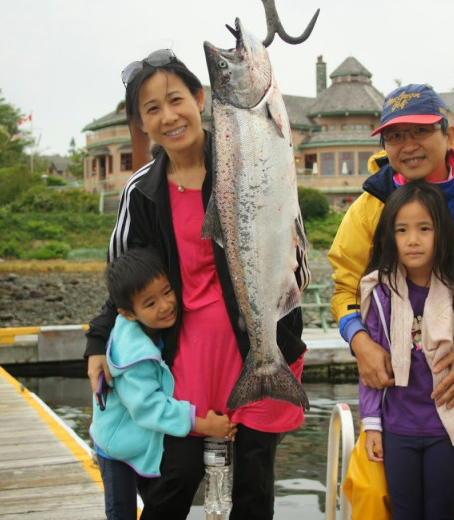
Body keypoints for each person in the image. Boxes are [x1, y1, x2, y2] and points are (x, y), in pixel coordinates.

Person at [84, 49, 310, 520]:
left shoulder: (249, 163)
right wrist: (98, 342)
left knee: (253, 480)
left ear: (200, 99)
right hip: (188, 356)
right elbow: (121, 277)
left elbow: (296, 256)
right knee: (177, 477)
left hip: (261, 343)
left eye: (176, 99)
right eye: (152, 109)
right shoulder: (140, 193)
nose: (168, 116)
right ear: (140, 125)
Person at [328, 83, 454, 518]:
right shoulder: (368, 209)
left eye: (419, 131)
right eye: (395, 136)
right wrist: (361, 342)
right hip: (396, 400)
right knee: (368, 494)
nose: (408, 146)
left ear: (450, 132)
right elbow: (345, 287)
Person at [358, 181, 454, 520]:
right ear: (390, 237)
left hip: (449, 427)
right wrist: (372, 426)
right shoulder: (381, 292)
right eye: (402, 230)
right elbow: (370, 368)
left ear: (441, 232)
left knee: (441, 510)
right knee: (404, 511)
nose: (413, 240)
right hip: (398, 426)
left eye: (424, 228)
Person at [90, 247, 236, 520]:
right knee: (120, 512)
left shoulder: (151, 329)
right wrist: (202, 424)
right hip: (116, 445)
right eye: (150, 303)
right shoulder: (132, 354)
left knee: (154, 501)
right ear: (128, 314)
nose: (165, 305)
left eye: (167, 292)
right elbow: (148, 407)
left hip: (141, 438)